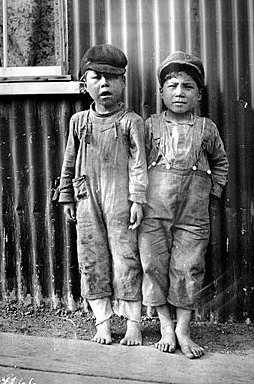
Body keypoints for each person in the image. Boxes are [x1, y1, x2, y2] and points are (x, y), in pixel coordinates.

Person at [139, 51, 229, 359]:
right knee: (153, 266)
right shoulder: (149, 126)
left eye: (188, 86)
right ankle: (166, 325)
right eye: (173, 85)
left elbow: (221, 162)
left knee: (188, 268)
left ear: (199, 94)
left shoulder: (206, 128)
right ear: (161, 92)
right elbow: (136, 165)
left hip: (193, 215)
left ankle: (183, 329)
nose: (180, 92)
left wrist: (212, 193)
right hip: (154, 213)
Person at [58, 44, 148, 346]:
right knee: (91, 258)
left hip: (120, 201)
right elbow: (69, 160)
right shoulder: (79, 122)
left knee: (126, 258)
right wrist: (67, 196)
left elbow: (138, 165)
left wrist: (137, 199)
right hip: (87, 200)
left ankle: (134, 323)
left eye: (111, 78)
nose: (104, 84)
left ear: (123, 82)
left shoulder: (130, 122)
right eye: (96, 77)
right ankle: (103, 322)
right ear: (85, 83)